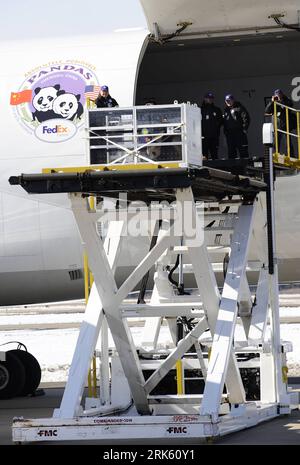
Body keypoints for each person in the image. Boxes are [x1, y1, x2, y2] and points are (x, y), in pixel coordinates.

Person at [265, 89, 296, 155]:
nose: (278, 96)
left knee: (288, 142)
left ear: (282, 94)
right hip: (276, 125)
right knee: (276, 142)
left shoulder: (286, 100)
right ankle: (276, 155)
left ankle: (291, 156)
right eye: (276, 94)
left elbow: (288, 106)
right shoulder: (273, 102)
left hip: (285, 125)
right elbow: (267, 111)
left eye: (279, 94)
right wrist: (272, 102)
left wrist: (280, 101)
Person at [223, 94, 250, 159]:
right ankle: (233, 168)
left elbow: (246, 118)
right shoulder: (226, 110)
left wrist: (244, 129)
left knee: (243, 151)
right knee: (231, 151)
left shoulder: (239, 108)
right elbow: (225, 122)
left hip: (239, 133)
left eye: (229, 100)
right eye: (226, 101)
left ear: (233, 100)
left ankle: (245, 168)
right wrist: (225, 131)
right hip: (230, 134)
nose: (228, 102)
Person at [201, 92, 223, 160]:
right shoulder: (200, 110)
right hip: (204, 137)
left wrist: (216, 128)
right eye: (208, 98)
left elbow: (221, 121)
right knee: (204, 155)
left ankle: (216, 170)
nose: (210, 99)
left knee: (214, 154)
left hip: (214, 137)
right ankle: (204, 170)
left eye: (211, 98)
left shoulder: (217, 110)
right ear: (205, 99)